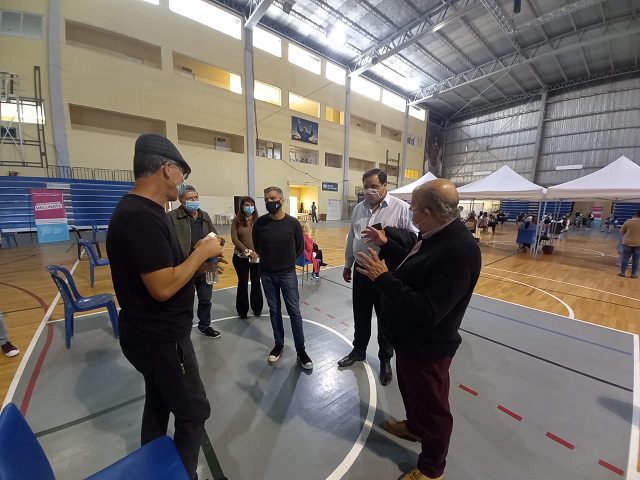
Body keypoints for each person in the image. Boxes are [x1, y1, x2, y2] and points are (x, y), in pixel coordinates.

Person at [106, 133, 223, 480]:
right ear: (167, 169)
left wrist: (197, 268)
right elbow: (160, 288)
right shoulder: (143, 217)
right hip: (161, 339)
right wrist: (201, 251)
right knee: (193, 413)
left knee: (158, 402)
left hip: (145, 335)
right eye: (181, 173)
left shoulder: (141, 211)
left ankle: (152, 468)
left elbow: (164, 273)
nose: (183, 182)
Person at [356, 179, 481, 480]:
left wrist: (383, 278)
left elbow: (429, 311)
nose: (410, 212)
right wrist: (388, 244)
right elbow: (415, 264)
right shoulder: (433, 234)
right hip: (409, 342)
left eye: (413, 207)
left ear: (428, 211)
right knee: (412, 392)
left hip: (429, 347)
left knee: (434, 409)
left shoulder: (459, 250)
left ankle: (432, 469)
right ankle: (414, 426)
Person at [340, 168, 417, 386]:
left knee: (385, 318)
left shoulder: (401, 208)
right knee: (360, 314)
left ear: (385, 186)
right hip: (361, 270)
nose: (369, 191)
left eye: (374, 186)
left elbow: (413, 241)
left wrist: (385, 238)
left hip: (385, 272)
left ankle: (385, 359)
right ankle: (359, 350)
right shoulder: (358, 209)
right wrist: (348, 263)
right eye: (366, 187)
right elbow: (352, 237)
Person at [252, 186, 312, 370]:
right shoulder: (260, 224)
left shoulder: (293, 223)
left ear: (282, 200)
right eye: (266, 199)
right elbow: (257, 246)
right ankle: (279, 344)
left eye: (273, 198)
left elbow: (299, 248)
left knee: (294, 312)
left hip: (287, 274)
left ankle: (301, 351)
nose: (270, 202)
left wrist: (285, 263)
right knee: (274, 310)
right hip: (267, 275)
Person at [168, 185, 222, 339]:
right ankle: (182, 331)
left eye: (196, 198)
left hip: (209, 266)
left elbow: (216, 236)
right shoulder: (171, 217)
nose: (194, 201)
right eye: (190, 199)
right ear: (181, 200)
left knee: (206, 299)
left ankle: (205, 326)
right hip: (186, 265)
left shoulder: (204, 215)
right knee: (184, 301)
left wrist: (216, 245)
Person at [231, 196, 263, 318]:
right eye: (246, 205)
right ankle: (242, 311)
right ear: (242, 207)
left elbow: (262, 238)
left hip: (256, 258)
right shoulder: (236, 221)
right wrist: (248, 251)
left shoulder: (258, 221)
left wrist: (258, 253)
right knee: (243, 282)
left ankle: (257, 308)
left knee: (256, 282)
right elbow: (234, 238)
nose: (249, 207)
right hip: (240, 258)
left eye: (251, 204)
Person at [619, 209, 640, 278]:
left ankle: (622, 273)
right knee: (636, 259)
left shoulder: (628, 221)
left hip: (627, 242)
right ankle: (633, 275)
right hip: (638, 244)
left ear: (635, 214)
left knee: (625, 258)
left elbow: (621, 231)